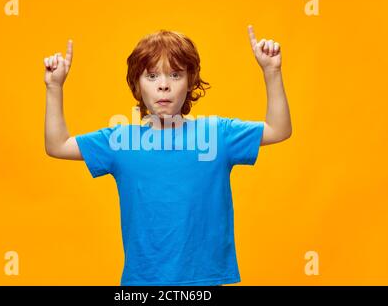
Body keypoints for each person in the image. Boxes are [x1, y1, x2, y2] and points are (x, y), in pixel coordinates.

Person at [43, 26, 292, 286]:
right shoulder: (119, 141)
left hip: (204, 283)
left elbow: (279, 129)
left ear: (190, 80)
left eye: (175, 74)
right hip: (142, 284)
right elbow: (58, 145)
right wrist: (54, 87)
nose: (163, 85)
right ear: (136, 84)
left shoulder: (217, 135)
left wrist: (272, 71)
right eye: (151, 76)